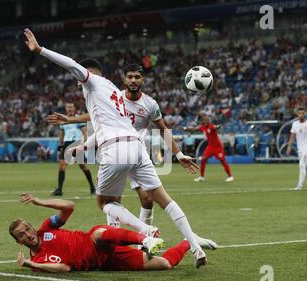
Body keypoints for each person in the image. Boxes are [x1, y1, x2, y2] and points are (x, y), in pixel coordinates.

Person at [25, 28, 211, 267]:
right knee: (163, 199)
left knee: (105, 202)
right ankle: (196, 249)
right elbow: (103, 122)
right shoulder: (114, 90)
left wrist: (40, 50)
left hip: (115, 150)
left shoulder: (92, 81)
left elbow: (70, 64)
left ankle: (146, 231)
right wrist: (82, 143)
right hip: (136, 147)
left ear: (88, 73)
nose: (77, 79)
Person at [46, 63, 200, 234]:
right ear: (124, 79)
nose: (133, 80)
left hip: (137, 153)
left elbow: (163, 130)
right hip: (114, 150)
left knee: (147, 199)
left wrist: (178, 154)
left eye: (137, 77)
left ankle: (145, 238)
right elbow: (96, 117)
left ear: (143, 80)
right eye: (130, 77)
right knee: (113, 199)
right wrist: (72, 123)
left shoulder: (150, 104)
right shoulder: (115, 97)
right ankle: (117, 235)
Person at [10, 194, 216, 273]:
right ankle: (189, 241)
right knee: (164, 264)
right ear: (18, 242)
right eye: (21, 234)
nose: (27, 234)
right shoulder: (38, 260)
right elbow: (64, 267)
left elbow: (69, 207)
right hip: (105, 261)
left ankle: (146, 238)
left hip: (94, 241)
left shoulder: (47, 228)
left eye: (27, 228)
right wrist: (32, 264)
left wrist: (40, 202)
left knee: (99, 233)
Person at [52, 102, 95, 196]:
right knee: (62, 165)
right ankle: (59, 190)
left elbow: (85, 132)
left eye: (71, 107)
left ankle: (92, 188)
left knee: (83, 166)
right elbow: (62, 134)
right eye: (68, 107)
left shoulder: (78, 119)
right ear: (66, 108)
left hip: (77, 143)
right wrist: (60, 146)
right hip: (67, 144)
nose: (69, 109)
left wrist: (82, 144)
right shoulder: (63, 120)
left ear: (74, 108)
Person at [185, 113, 234, 182]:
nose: (204, 122)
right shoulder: (203, 127)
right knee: (203, 160)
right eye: (203, 121)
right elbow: (194, 129)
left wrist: (218, 126)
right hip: (210, 147)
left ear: (208, 121)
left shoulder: (211, 126)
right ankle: (202, 177)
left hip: (217, 147)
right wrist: (185, 128)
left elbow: (215, 127)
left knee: (222, 161)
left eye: (205, 121)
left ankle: (230, 176)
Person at [286, 107, 307, 190]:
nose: (301, 115)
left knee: (301, 165)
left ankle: (299, 186)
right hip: (300, 148)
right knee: (304, 166)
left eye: (302, 113)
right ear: (297, 114)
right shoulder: (295, 124)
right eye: (299, 113)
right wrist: (289, 147)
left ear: (305, 114)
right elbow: (292, 136)